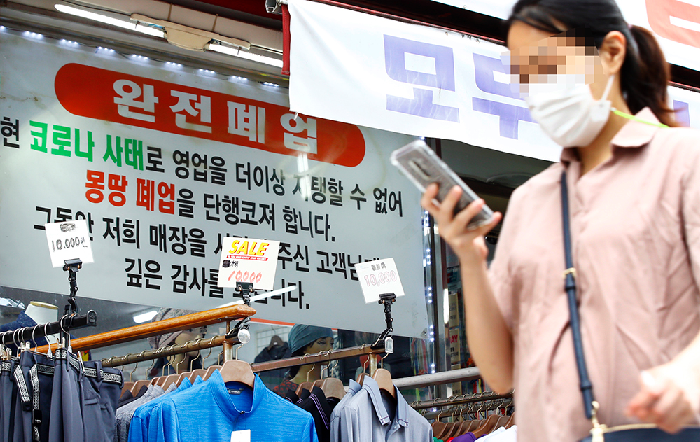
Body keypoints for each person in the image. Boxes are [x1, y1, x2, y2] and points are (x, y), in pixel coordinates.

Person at [421, 1, 700, 441]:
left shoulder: (683, 163)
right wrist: (471, 260)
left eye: (547, 66)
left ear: (612, 53)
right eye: (524, 77)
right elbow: (500, 374)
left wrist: (689, 373)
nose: (537, 90)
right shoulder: (530, 201)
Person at [272, 324, 334, 396]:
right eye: (322, 342)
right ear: (303, 347)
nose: (330, 349)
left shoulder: (331, 387)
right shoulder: (283, 392)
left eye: (331, 343)